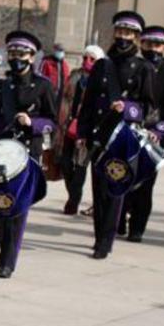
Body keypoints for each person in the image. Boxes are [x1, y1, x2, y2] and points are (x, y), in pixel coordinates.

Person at [0, 31, 56, 278]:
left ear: (32, 56)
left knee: (18, 207)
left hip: (27, 154)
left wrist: (32, 123)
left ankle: (9, 260)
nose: (16, 58)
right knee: (0, 203)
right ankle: (4, 251)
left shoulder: (43, 86)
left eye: (22, 53)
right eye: (12, 53)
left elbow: (52, 122)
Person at [76, 11, 155, 259]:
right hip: (99, 134)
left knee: (115, 189)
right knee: (98, 190)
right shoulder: (102, 64)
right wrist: (82, 133)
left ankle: (106, 241)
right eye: (119, 32)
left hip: (122, 137)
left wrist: (128, 108)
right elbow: (87, 102)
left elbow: (149, 106)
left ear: (136, 37)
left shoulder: (143, 67)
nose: (123, 37)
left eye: (128, 33)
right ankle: (99, 236)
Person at [120, 26, 164, 242]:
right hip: (128, 131)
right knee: (121, 177)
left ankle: (137, 228)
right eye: (148, 44)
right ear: (141, 44)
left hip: (153, 134)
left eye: (157, 45)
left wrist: (159, 130)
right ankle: (118, 221)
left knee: (145, 184)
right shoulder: (134, 66)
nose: (152, 49)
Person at [59, 44, 104, 215]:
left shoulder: (101, 78)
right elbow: (64, 97)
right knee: (64, 162)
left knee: (80, 165)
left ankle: (73, 201)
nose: (87, 61)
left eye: (92, 58)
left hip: (86, 127)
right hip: (68, 124)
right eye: (85, 57)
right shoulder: (75, 75)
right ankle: (73, 194)